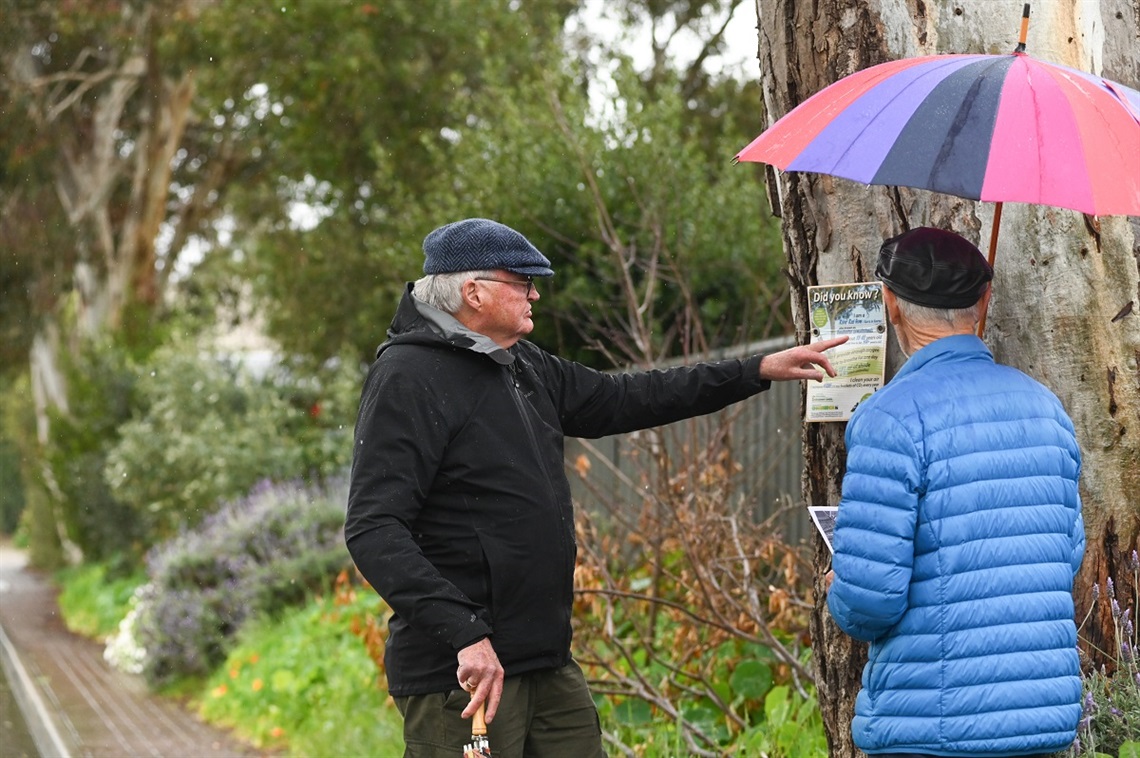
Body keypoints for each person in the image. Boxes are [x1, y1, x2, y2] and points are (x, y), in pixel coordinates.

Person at [345, 217, 847, 757]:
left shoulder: (519, 363)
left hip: (542, 658)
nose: (535, 294)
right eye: (522, 283)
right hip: (464, 674)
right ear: (473, 292)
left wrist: (758, 369)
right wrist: (463, 632)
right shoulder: (408, 376)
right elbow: (373, 528)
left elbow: (626, 397)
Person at [827, 227, 1086, 757]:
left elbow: (870, 602)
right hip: (1040, 719)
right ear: (983, 301)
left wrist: (840, 584)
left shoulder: (889, 419)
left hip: (931, 727)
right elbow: (1067, 556)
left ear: (890, 304)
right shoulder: (1047, 409)